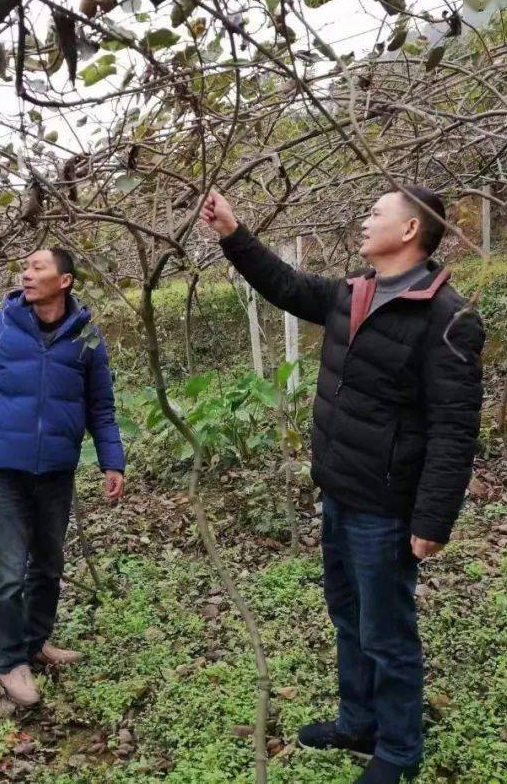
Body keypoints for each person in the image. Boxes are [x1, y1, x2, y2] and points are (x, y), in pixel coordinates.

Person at [200, 188, 484, 783]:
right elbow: (285, 284)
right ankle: (357, 721)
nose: (364, 220)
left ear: (409, 230)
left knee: (387, 631)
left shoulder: (446, 316)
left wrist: (433, 520)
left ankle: (400, 751)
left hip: (386, 505)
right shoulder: (354, 292)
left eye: (375, 213)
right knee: (348, 617)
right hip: (339, 490)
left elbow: (454, 428)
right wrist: (233, 232)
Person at [0, 247, 125, 707]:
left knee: (48, 567)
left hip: (56, 472)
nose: (27, 273)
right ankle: (10, 662)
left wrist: (111, 461)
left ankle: (36, 643)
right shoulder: (0, 325)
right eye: (26, 267)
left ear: (65, 281)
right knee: (8, 574)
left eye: (38, 267)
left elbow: (100, 406)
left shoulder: (86, 338)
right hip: (6, 473)